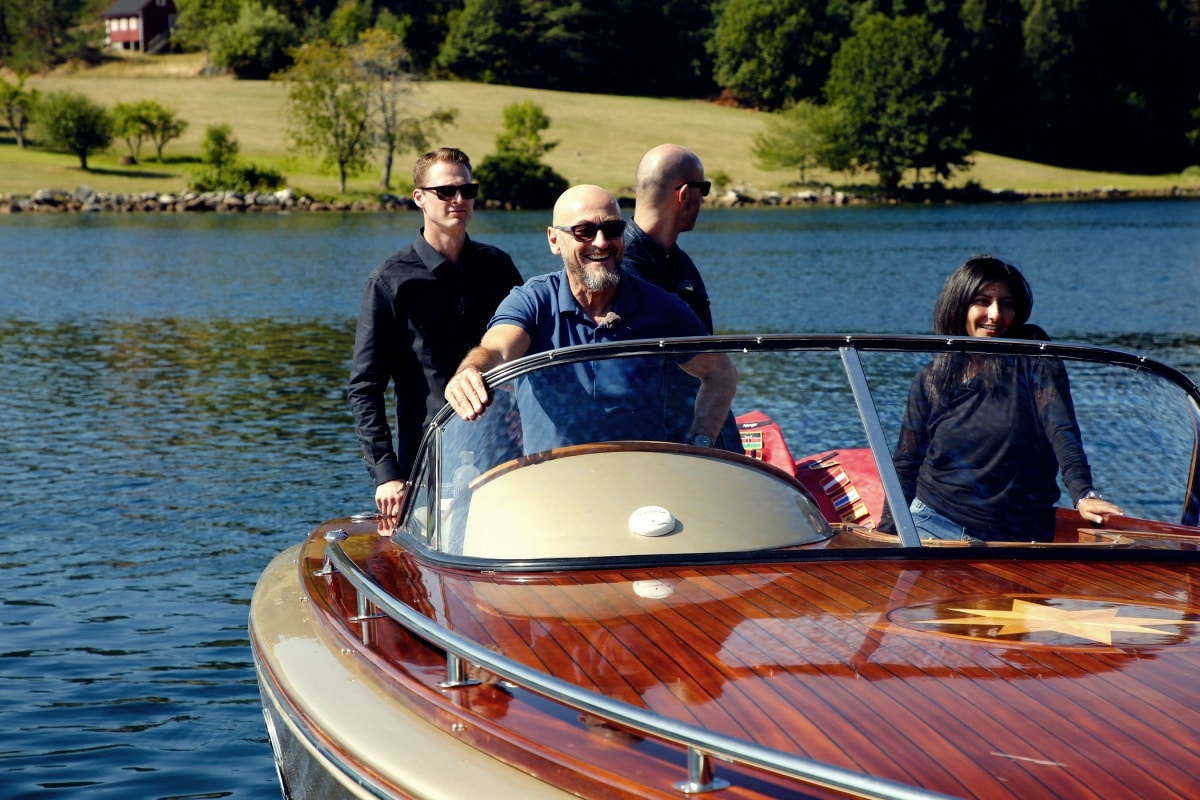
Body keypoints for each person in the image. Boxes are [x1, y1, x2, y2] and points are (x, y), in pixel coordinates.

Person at [444, 184, 736, 452]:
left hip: (641, 482)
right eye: (584, 231)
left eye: (612, 229)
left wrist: (700, 440)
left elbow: (720, 372)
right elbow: (497, 349)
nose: (601, 243)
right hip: (550, 483)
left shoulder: (661, 307)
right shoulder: (532, 301)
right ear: (554, 240)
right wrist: (470, 372)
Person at [880, 256, 1123, 542]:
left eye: (1006, 304)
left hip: (1018, 533)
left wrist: (1083, 492)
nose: (995, 314)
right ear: (959, 306)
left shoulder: (1033, 355)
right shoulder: (932, 378)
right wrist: (886, 534)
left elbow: (1060, 426)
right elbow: (907, 462)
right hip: (934, 523)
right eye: (982, 301)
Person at [348, 147, 522, 517]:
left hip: (505, 454)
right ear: (420, 199)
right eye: (446, 192)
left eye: (467, 190)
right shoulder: (389, 281)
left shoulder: (499, 268)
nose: (459, 200)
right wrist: (386, 474)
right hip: (429, 462)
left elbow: (529, 354)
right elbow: (365, 388)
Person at [622, 143, 741, 451]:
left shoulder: (678, 261)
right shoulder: (620, 269)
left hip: (703, 432)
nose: (703, 201)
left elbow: (711, 365)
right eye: (704, 190)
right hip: (663, 446)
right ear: (685, 194)